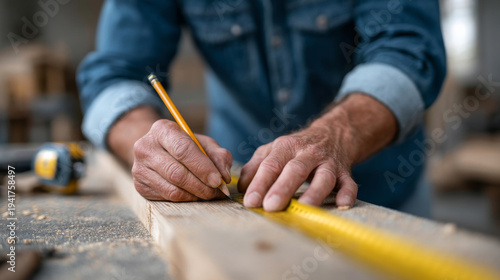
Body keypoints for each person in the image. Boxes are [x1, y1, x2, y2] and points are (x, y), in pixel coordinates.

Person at [77, 0, 446, 216]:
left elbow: (408, 52)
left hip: (377, 194)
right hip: (238, 196)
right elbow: (115, 74)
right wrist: (148, 140)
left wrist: (335, 135)